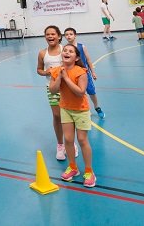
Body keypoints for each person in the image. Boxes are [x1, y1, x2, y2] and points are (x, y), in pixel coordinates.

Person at [49, 44, 97, 187]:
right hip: (65, 109)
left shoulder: (81, 72)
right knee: (68, 139)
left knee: (82, 139)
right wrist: (59, 77)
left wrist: (66, 78)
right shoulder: (56, 71)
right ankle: (73, 167)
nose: (67, 52)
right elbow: (53, 90)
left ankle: (89, 171)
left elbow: (80, 92)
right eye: (65, 50)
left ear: (76, 58)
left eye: (71, 51)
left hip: (81, 110)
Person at [36, 25, 77, 161]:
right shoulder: (42, 53)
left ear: (59, 36)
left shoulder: (65, 50)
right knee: (57, 116)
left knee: (69, 116)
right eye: (47, 34)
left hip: (66, 87)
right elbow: (39, 70)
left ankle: (71, 143)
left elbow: (74, 63)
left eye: (53, 34)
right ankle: (60, 145)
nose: (50, 36)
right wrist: (46, 72)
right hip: (52, 87)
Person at [64, 28, 104, 119]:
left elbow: (88, 60)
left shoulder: (82, 47)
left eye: (71, 34)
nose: (68, 36)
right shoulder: (65, 48)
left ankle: (97, 107)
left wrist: (93, 72)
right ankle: (86, 109)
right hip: (73, 74)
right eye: (66, 34)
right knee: (78, 92)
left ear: (75, 35)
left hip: (84, 73)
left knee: (91, 91)